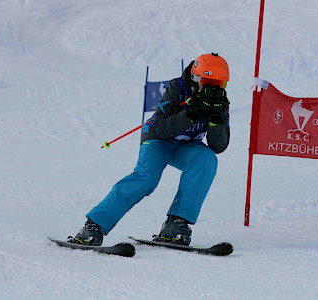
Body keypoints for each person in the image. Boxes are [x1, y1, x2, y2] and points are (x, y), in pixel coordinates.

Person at [71, 52, 230, 246]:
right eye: (208, 83)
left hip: (188, 147)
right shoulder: (177, 88)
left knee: (207, 159)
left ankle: (176, 224)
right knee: (146, 179)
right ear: (196, 79)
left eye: (219, 85)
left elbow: (218, 146)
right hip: (158, 141)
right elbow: (159, 127)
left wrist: (217, 120)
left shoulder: (219, 103)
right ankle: (93, 225)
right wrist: (191, 113)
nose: (213, 90)